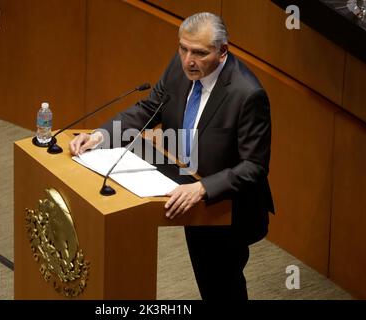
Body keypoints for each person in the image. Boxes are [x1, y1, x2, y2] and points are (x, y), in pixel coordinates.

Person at [69, 12, 274, 300]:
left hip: (226, 205)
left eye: (199, 53)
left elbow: (254, 167)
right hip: (189, 189)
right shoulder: (181, 68)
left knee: (222, 285)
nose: (188, 59)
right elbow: (149, 108)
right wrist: (100, 136)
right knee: (208, 279)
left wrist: (202, 188)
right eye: (183, 48)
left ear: (222, 51)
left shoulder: (247, 94)